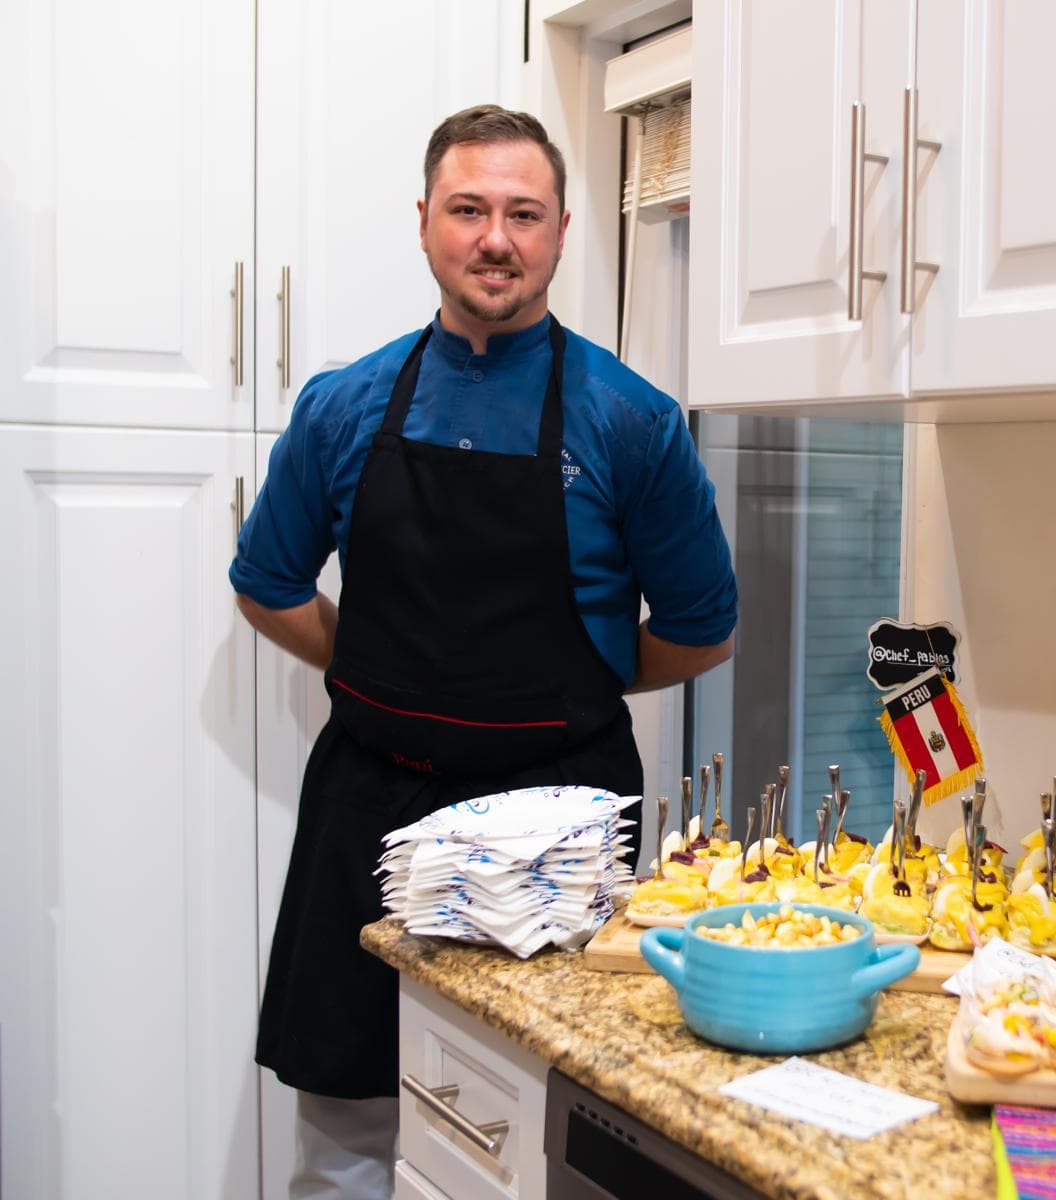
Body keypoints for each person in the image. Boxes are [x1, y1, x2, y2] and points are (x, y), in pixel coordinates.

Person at [230, 104, 738, 1199]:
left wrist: (578, 684)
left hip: (561, 827)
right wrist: (369, 667)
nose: (494, 238)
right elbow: (268, 586)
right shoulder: (342, 406)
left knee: (548, 1125)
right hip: (369, 814)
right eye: (468, 210)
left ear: (561, 232)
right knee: (348, 1132)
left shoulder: (633, 421)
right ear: (424, 224)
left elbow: (700, 628)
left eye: (522, 213)